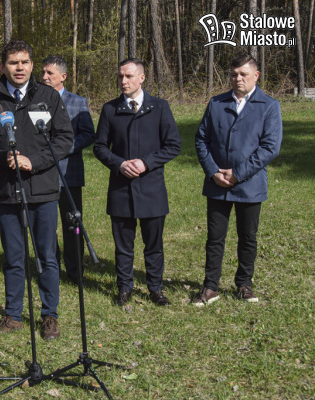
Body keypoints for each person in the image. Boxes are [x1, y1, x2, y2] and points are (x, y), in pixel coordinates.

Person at [0, 40, 73, 340]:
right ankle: (13, 316)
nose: (19, 68)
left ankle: (49, 315)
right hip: (6, 191)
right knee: (14, 257)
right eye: (13, 62)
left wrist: (35, 161)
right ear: (2, 66)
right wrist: (1, 157)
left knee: (46, 256)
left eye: (25, 62)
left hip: (42, 189)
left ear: (32, 65)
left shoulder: (48, 97)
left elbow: (64, 139)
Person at [193, 54, 282, 306]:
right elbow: (201, 139)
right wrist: (213, 171)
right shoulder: (216, 103)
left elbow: (270, 147)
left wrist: (238, 174)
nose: (238, 78)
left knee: (248, 237)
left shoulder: (269, 106)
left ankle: (244, 284)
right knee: (215, 237)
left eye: (243, 74)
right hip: (217, 184)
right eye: (234, 74)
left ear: (256, 75)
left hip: (249, 185)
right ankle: (211, 286)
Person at [93, 58, 181, 307]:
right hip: (121, 188)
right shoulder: (110, 109)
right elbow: (100, 147)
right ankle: (124, 288)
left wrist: (146, 163)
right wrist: (119, 164)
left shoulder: (159, 107)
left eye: (129, 76)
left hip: (152, 188)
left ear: (142, 78)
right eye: (120, 76)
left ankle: (155, 288)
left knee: (154, 245)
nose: (123, 81)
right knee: (123, 245)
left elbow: (173, 145)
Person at [41, 56, 95, 283]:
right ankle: (50, 269)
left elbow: (88, 134)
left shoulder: (77, 102)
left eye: (49, 73)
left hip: (69, 173)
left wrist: (64, 149)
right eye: (43, 72)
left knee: (72, 223)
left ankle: (75, 271)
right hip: (42, 174)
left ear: (63, 76)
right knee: (46, 225)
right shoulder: (35, 100)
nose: (44, 77)